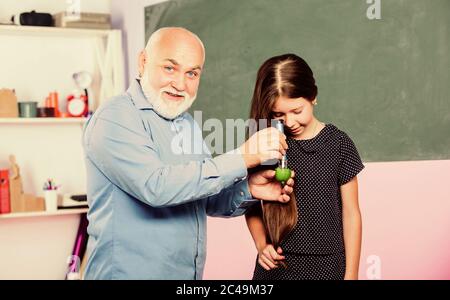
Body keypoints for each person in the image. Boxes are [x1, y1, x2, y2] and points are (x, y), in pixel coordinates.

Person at [82, 27, 294, 280]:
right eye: (169, 68)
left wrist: (249, 189)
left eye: (192, 73)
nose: (180, 84)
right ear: (143, 62)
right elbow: (157, 187)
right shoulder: (115, 118)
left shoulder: (186, 123)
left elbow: (203, 197)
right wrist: (242, 158)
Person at [246, 54, 365, 280]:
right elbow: (249, 201)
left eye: (297, 111)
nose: (289, 123)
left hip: (328, 267)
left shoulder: (339, 144)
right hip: (276, 269)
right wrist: (261, 245)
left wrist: (351, 274)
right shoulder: (266, 144)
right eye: (279, 115)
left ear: (313, 97)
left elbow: (351, 213)